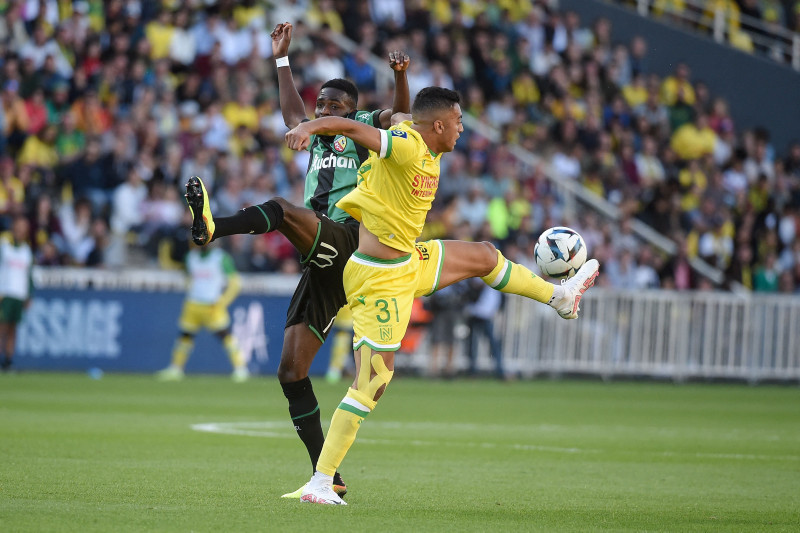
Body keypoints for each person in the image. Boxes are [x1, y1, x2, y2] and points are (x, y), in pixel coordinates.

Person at [283, 87, 600, 504]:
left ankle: (558, 297)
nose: (463, 128)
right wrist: (309, 126)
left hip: (408, 260)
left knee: (485, 256)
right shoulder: (407, 145)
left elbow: (398, 115)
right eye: (459, 120)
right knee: (373, 380)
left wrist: (400, 78)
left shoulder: (425, 148)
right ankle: (321, 483)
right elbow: (349, 125)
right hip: (381, 278)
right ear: (439, 125)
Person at [184, 22, 410, 498]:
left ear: (352, 111)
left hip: (354, 238)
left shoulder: (364, 127)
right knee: (290, 370)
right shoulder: (317, 139)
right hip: (325, 263)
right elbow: (294, 117)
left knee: (285, 210)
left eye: (333, 106)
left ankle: (213, 226)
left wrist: (400, 77)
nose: (324, 111)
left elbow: (403, 117)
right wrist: (281, 59)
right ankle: (327, 477)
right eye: (321, 104)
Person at [156, 241, 249, 382]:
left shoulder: (221, 257)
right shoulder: (190, 257)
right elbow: (186, 276)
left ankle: (241, 369)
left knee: (225, 336)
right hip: (192, 303)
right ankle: (175, 368)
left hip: (212, 305)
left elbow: (235, 283)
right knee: (185, 336)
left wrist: (222, 302)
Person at [0, 216, 34, 372]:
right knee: (2, 328)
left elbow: (29, 275)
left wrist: (29, 295)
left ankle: (8, 361)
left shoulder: (27, 251)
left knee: (13, 329)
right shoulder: (4, 247)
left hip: (19, 295)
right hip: (5, 293)